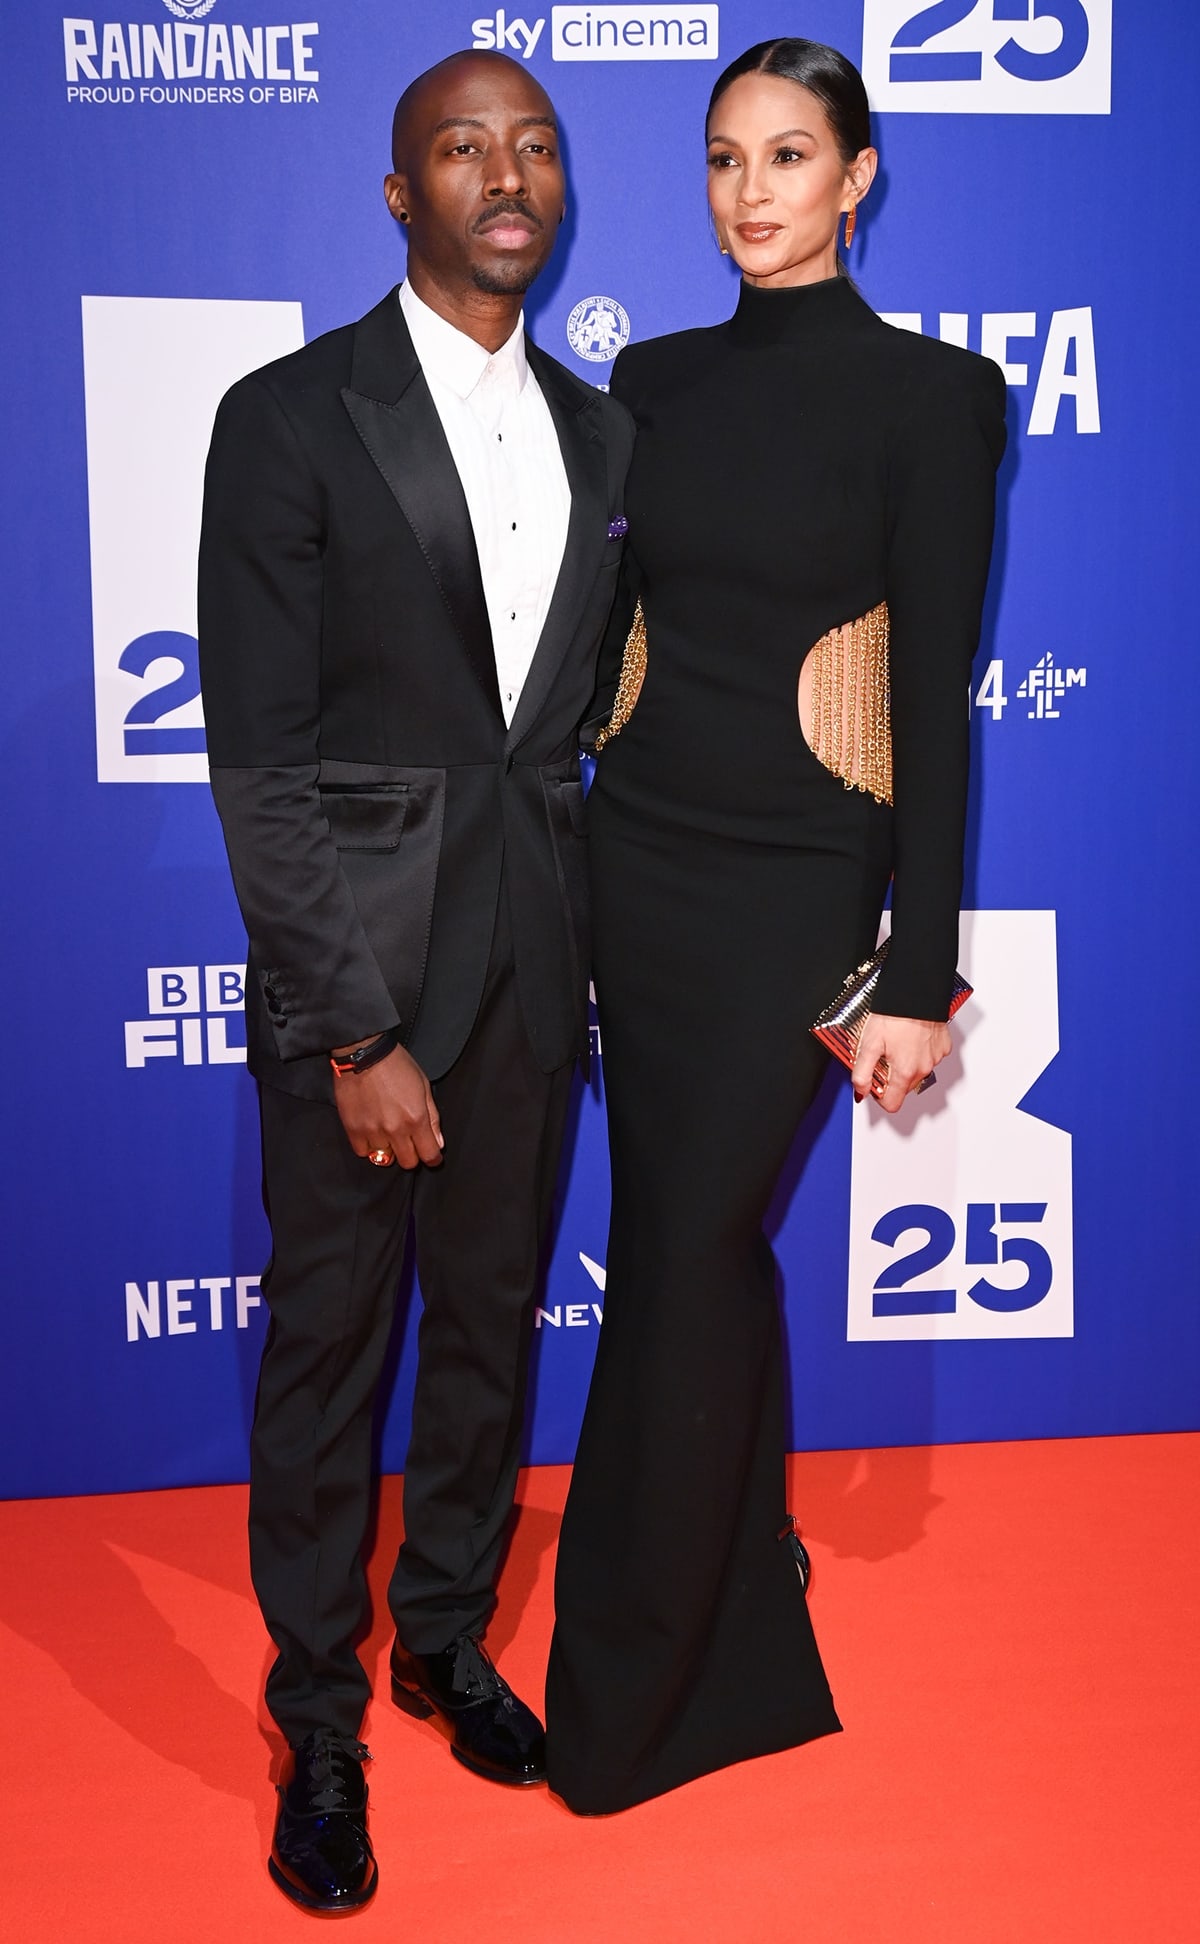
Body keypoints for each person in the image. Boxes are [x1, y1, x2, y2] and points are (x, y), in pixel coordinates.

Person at [545, 37, 1006, 1815]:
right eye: (728, 159)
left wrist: (918, 964)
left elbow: (942, 705)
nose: (753, 193)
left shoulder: (936, 398)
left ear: (858, 176)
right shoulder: (647, 382)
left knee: (682, 1253)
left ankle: (640, 1693)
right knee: (687, 1248)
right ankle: (733, 1619)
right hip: (638, 865)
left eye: (792, 157)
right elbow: (599, 649)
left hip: (799, 885)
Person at [198, 49, 632, 1911]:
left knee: (486, 1334)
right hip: (361, 994)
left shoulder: (610, 434)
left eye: (533, 146)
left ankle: (444, 1638)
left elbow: (591, 724)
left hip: (541, 962)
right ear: (400, 194)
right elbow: (262, 755)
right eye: (463, 149)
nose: (504, 174)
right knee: (326, 1365)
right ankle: (319, 1717)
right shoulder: (290, 415)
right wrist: (354, 1026)